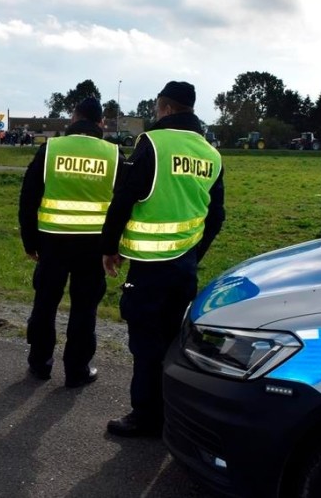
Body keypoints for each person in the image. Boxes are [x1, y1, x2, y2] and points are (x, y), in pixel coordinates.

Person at [101, 81, 225, 437]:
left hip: (149, 268)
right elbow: (216, 215)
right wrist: (193, 253)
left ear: (167, 108)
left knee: (145, 343)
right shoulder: (210, 154)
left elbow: (125, 197)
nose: (156, 114)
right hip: (184, 266)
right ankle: (173, 412)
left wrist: (110, 247)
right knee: (175, 341)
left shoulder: (154, 143)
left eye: (157, 108)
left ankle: (145, 416)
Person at [18, 97, 122, 388]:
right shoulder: (113, 154)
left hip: (52, 242)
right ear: (100, 122)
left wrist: (30, 240)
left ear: (74, 117)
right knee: (84, 308)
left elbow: (28, 198)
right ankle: (77, 371)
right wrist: (114, 246)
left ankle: (39, 365)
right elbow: (123, 205)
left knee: (45, 303)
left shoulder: (51, 149)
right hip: (94, 247)